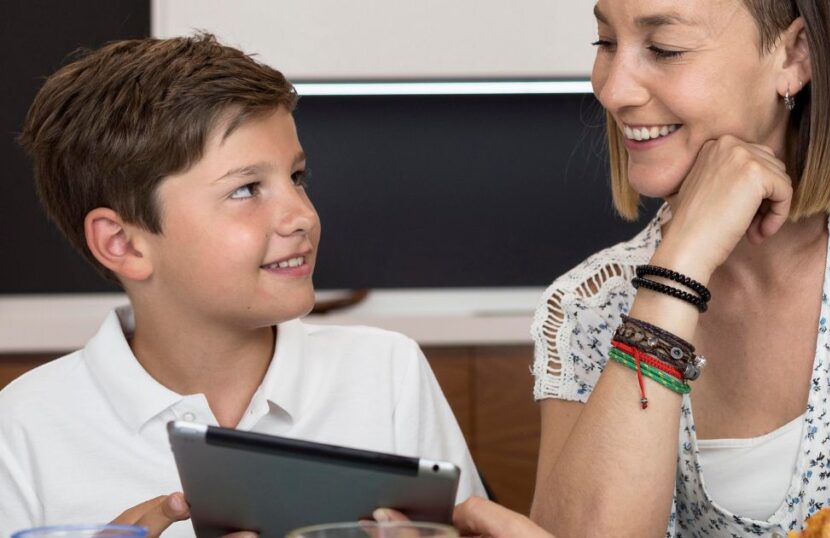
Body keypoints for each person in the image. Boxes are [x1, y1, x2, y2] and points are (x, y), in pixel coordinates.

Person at [522, 0, 830, 536]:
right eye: (605, 44)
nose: (612, 89)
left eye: (664, 48)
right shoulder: (584, 308)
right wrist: (678, 268)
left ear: (794, 55)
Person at [0, 34, 485, 537]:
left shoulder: (386, 374)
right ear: (123, 243)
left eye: (297, 176)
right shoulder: (24, 425)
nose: (302, 215)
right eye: (246, 189)